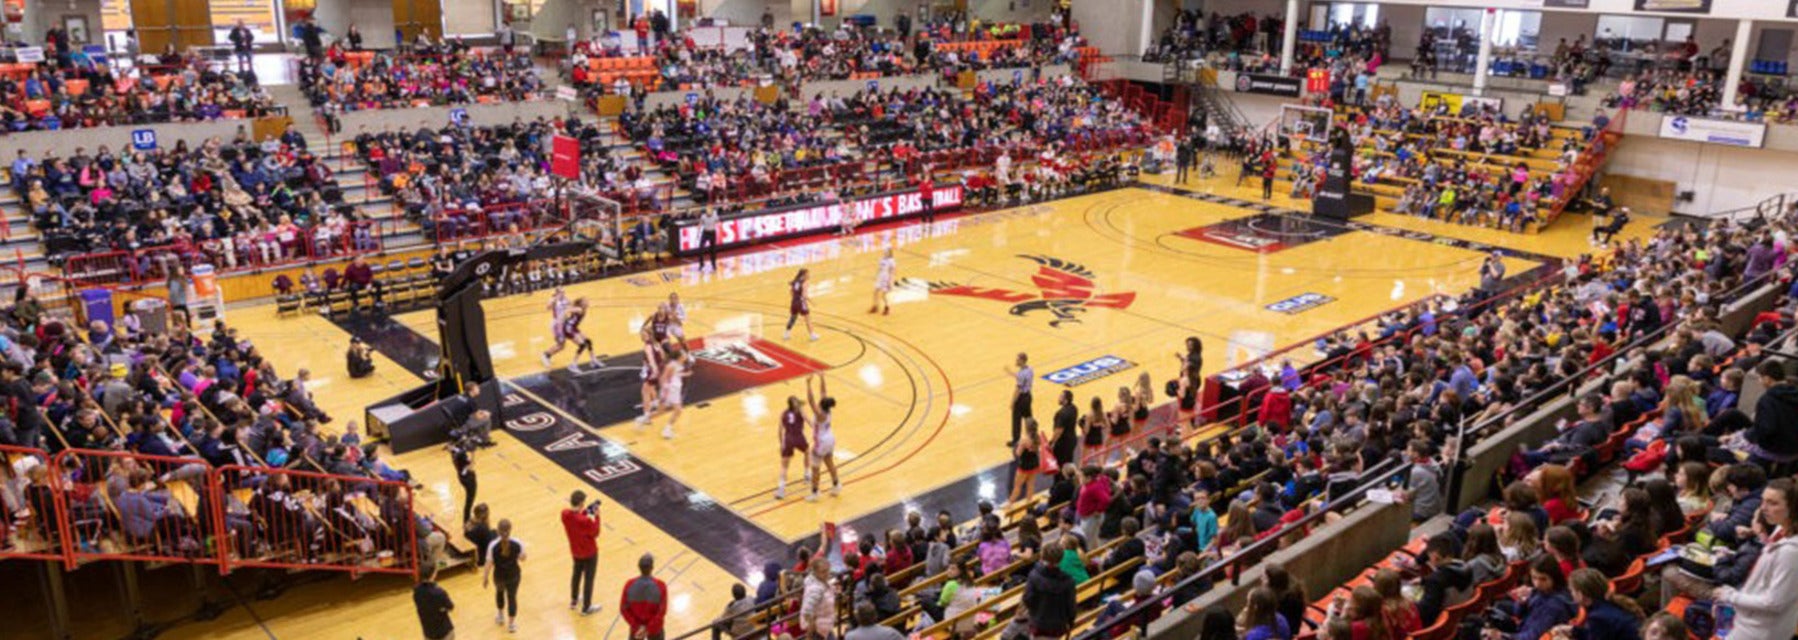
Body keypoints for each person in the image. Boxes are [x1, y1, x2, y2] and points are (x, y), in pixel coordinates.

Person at [1709, 477, 1798, 639]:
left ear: (1792, 507)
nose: (1763, 508)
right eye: (1763, 501)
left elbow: (1774, 602)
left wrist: (1730, 596)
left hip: (1760, 631)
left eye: (1773, 503)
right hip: (1749, 621)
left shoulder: (1791, 552)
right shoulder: (1780, 528)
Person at [1548, 568, 1642, 640]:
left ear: (1580, 594)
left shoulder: (1598, 617)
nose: (1571, 594)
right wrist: (1573, 631)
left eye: (1572, 591)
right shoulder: (1609, 604)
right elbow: (1595, 634)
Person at [1023, 540, 1077, 639]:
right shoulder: (1068, 581)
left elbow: (1027, 599)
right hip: (1057, 626)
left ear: (1042, 556)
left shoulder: (1034, 576)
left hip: (1038, 622)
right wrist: (1071, 621)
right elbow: (1071, 606)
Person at [562, 491, 602, 615]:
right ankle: (587, 607)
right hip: (589, 552)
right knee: (588, 579)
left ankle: (574, 600)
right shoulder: (585, 521)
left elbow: (576, 517)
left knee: (576, 574)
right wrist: (597, 516)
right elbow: (595, 533)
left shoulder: (565, 514)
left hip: (575, 551)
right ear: (581, 503)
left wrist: (586, 512)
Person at [483, 519, 526, 633]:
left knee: (499, 593)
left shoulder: (493, 545)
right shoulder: (518, 543)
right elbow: (523, 558)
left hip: (499, 576)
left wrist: (485, 577)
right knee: (512, 597)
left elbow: (488, 563)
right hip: (514, 575)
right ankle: (511, 624)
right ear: (510, 530)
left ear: (498, 531)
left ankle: (501, 616)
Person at [805, 374, 841, 500]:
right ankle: (836, 485)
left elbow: (811, 401)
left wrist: (808, 384)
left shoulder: (820, 414)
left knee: (815, 468)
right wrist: (822, 378)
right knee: (830, 462)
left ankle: (815, 492)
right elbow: (823, 392)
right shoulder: (827, 410)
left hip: (821, 442)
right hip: (830, 439)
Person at [621, 553, 669, 640]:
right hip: (655, 629)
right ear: (652, 568)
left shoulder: (629, 585)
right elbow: (662, 611)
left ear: (639, 567)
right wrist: (648, 628)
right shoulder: (660, 586)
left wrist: (638, 627)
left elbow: (624, 609)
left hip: (636, 630)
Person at [545, 298, 601, 372]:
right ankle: (573, 365)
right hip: (569, 329)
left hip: (573, 328)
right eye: (585, 301)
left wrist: (569, 305)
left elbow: (569, 307)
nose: (587, 302)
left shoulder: (581, 308)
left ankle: (593, 360)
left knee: (588, 341)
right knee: (582, 345)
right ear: (582, 304)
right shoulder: (579, 309)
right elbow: (567, 311)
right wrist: (560, 318)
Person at [776, 395, 810, 500]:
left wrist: (782, 443)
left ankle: (781, 490)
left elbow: (779, 430)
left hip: (788, 439)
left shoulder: (783, 413)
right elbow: (809, 421)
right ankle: (807, 474)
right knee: (808, 452)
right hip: (799, 437)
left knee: (784, 466)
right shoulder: (800, 411)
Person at [414, 562, 456, 640]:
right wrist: (442, 609)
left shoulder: (417, 591)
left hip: (428, 632)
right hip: (443, 632)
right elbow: (451, 606)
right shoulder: (439, 592)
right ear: (433, 574)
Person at [657, 345, 690, 439]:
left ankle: (642, 420)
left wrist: (684, 374)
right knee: (678, 410)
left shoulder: (678, 364)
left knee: (661, 411)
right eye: (684, 354)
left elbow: (675, 374)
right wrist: (665, 391)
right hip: (671, 390)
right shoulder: (671, 365)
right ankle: (666, 430)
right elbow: (662, 378)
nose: (685, 355)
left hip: (674, 389)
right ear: (679, 356)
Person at [799, 560, 836, 640]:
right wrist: (811, 632)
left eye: (828, 570)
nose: (827, 574)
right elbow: (807, 612)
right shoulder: (815, 590)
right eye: (823, 572)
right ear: (816, 572)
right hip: (818, 631)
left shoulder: (821, 582)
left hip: (825, 625)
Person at [1009, 418, 1043, 504]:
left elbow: (1018, 453)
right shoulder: (1038, 437)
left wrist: (1017, 446)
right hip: (1034, 464)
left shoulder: (1024, 439)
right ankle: (1029, 503)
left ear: (1026, 428)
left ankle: (1010, 504)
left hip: (1024, 465)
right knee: (1030, 485)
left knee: (1017, 487)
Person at [1008, 352, 1035, 447]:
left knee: (1016, 420)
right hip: (1028, 396)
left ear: (1022, 361)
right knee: (1029, 417)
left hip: (1021, 399)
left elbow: (1018, 389)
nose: (1016, 361)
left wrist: (1013, 402)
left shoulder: (1021, 374)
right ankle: (1033, 436)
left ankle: (1016, 441)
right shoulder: (1030, 369)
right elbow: (1022, 378)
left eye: (1018, 359)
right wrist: (1011, 373)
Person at [539, 287, 570, 367]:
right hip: (556, 324)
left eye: (563, 292)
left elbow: (570, 307)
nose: (563, 293)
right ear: (557, 293)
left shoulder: (566, 299)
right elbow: (547, 307)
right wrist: (554, 299)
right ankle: (545, 355)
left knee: (562, 346)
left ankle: (547, 355)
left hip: (563, 323)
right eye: (561, 292)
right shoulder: (554, 300)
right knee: (561, 344)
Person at [784, 269, 818, 341]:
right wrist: (812, 302)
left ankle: (786, 333)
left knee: (793, 318)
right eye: (808, 274)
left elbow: (791, 292)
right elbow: (804, 295)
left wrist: (795, 299)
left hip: (794, 302)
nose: (809, 275)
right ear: (804, 275)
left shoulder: (795, 281)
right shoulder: (805, 282)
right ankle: (812, 335)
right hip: (801, 302)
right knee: (808, 319)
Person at [452, 441, 477, 523]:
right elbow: (471, 467)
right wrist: (473, 454)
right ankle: (466, 521)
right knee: (470, 500)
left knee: (469, 500)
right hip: (468, 479)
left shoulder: (454, 454)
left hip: (461, 476)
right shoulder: (462, 456)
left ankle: (467, 518)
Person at [870, 249, 896, 315]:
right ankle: (875, 306)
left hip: (886, 279)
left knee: (883, 295)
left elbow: (892, 272)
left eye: (886, 252)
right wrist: (876, 276)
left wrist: (890, 282)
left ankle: (887, 307)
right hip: (880, 277)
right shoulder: (881, 259)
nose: (885, 253)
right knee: (875, 292)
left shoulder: (892, 261)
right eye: (885, 252)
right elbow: (879, 269)